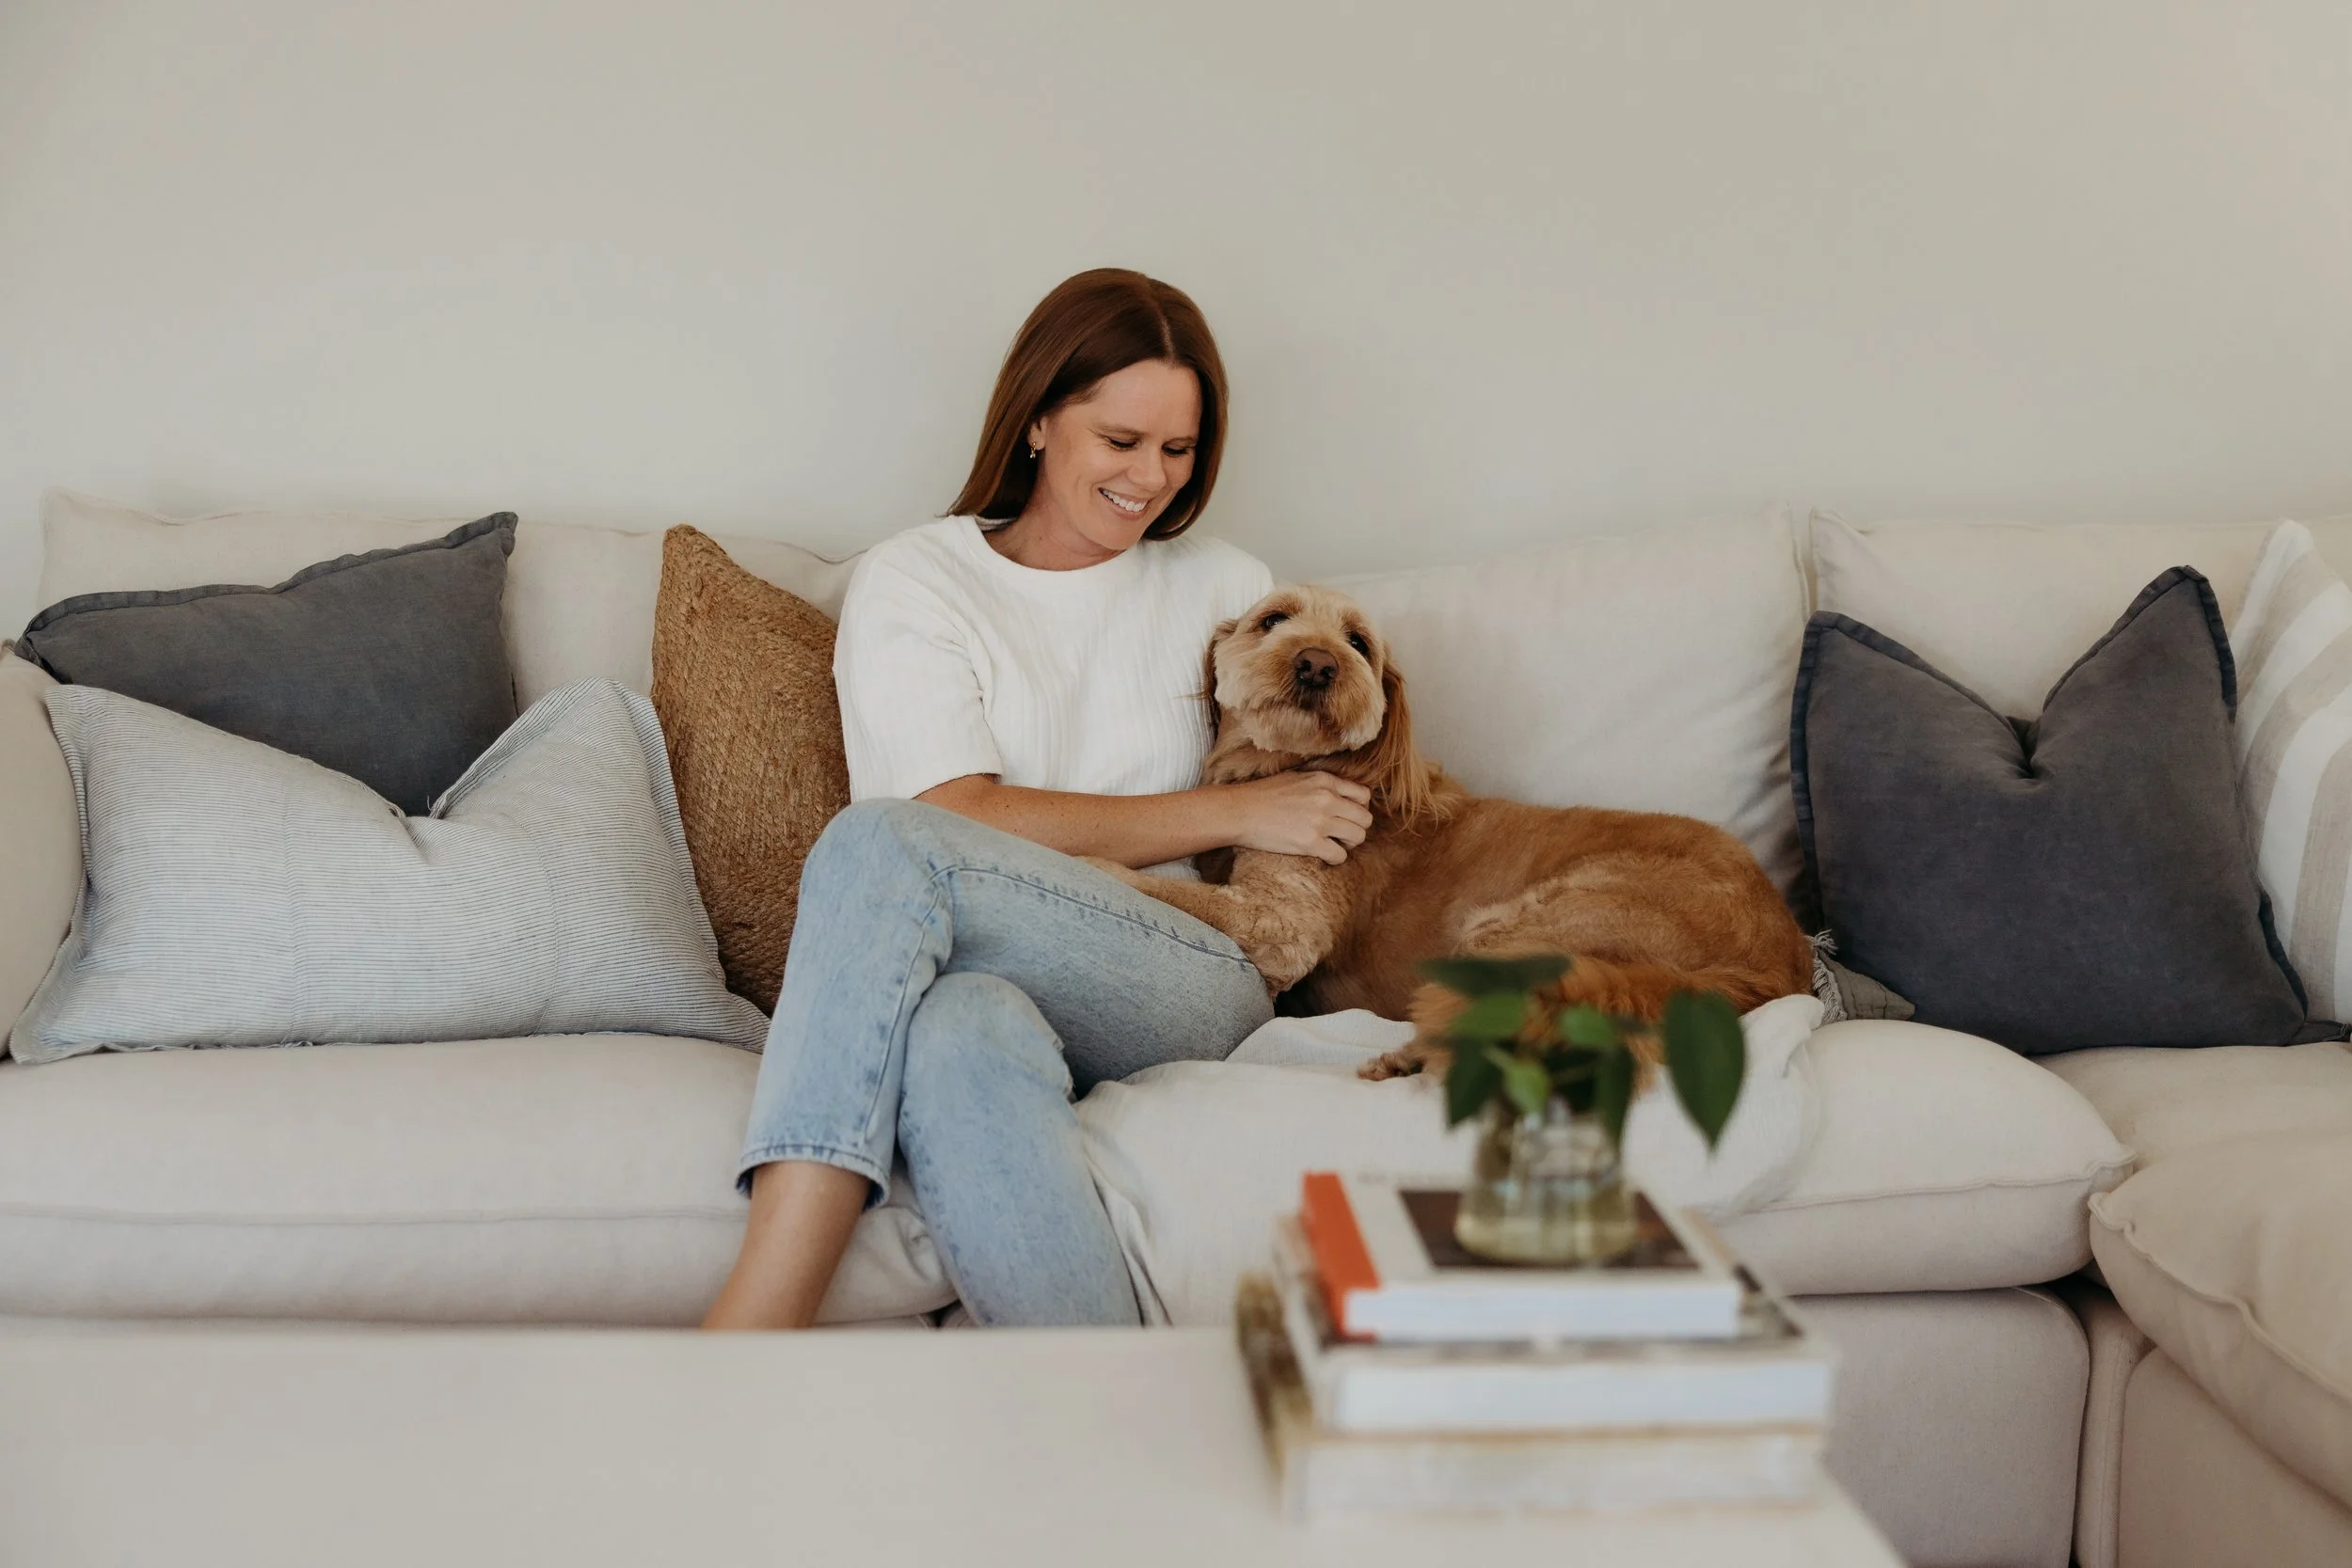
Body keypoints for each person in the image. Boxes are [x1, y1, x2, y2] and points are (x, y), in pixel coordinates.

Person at [702, 269, 1375, 1328]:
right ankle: (1097, 1404)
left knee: (878, 845)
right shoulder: (919, 579)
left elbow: (1314, 771)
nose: (1148, 477)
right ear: (1037, 422)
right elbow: (954, 811)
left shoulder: (1225, 586)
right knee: (959, 1020)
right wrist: (1225, 814)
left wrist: (1269, 822)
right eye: (1120, 441)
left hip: (1181, 974)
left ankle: (751, 1322)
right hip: (977, 964)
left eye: (1177, 450)